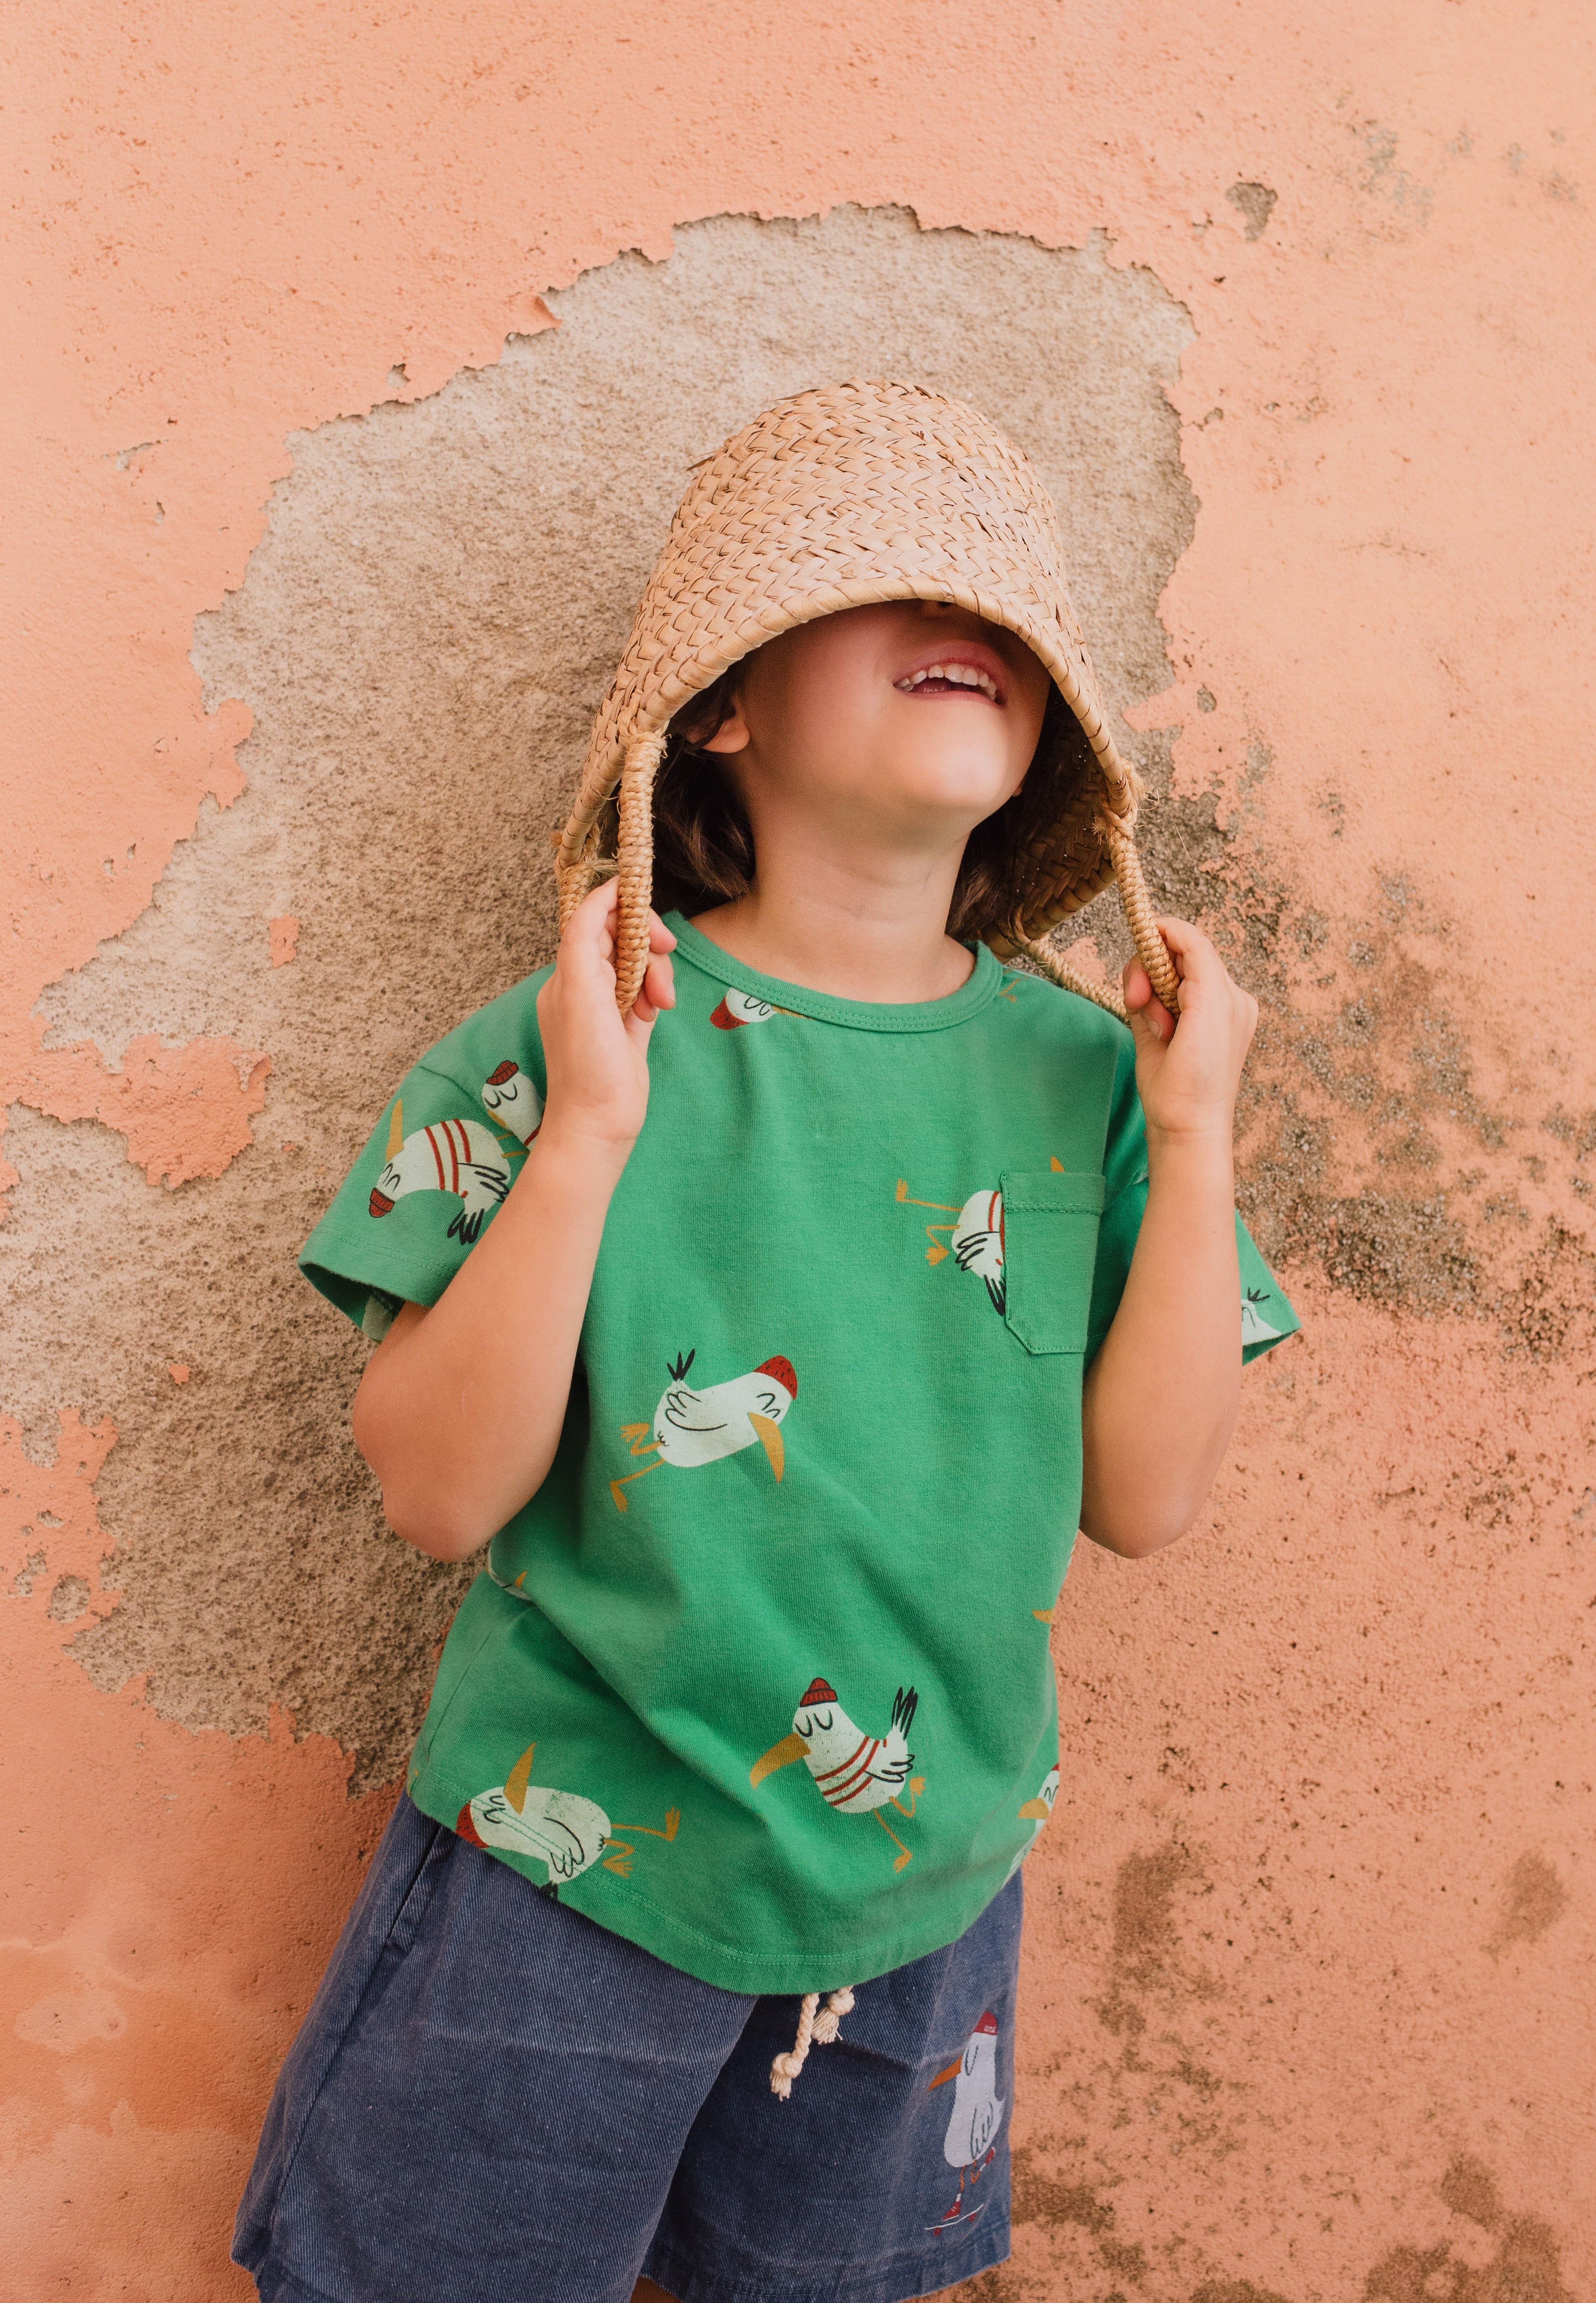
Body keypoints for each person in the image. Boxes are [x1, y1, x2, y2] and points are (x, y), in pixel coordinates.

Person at [233, 382, 1298, 2303]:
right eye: (878, 585)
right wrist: (585, 1137)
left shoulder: (1103, 1080)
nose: (954, 618)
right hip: (572, 1876)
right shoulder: (561, 1043)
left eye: (999, 613)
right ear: (724, 704)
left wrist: (1204, 1132)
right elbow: (435, 1493)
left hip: (923, 1897)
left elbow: (1149, 1501)